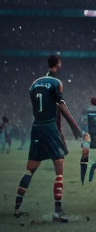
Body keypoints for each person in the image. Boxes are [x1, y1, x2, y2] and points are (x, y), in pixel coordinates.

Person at [14, 54, 82, 221]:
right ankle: (58, 211)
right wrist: (75, 128)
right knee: (59, 168)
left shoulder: (34, 84)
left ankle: (17, 208)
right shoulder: (57, 83)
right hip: (49, 127)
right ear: (58, 64)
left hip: (36, 127)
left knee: (29, 169)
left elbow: (37, 108)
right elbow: (61, 106)